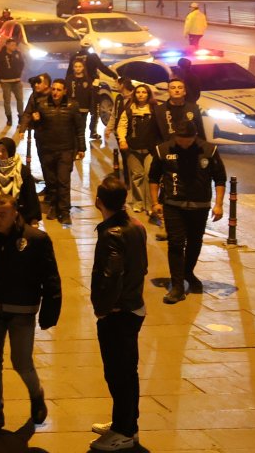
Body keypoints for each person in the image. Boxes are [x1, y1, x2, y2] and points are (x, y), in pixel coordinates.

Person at [0, 196, 62, 436]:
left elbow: (50, 277)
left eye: (2, 214)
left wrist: (50, 312)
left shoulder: (35, 239)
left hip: (21, 312)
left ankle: (36, 394)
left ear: (15, 214)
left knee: (22, 362)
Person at [89, 176, 148, 451]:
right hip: (133, 305)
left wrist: (104, 309)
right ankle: (123, 423)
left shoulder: (111, 233)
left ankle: (125, 431)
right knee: (125, 371)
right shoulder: (136, 226)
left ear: (99, 201)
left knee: (119, 373)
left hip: (119, 311)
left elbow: (112, 275)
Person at [148, 120, 226, 304]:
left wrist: (219, 204)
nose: (184, 143)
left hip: (200, 206)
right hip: (173, 204)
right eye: (180, 140)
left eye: (188, 140)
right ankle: (177, 286)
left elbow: (220, 178)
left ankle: (188, 273)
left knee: (195, 242)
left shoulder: (209, 150)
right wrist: (154, 202)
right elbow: (153, 177)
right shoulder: (164, 150)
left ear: (195, 136)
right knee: (175, 243)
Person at [32, 80, 85, 225]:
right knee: (52, 181)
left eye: (59, 90)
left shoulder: (72, 105)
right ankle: (54, 207)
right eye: (53, 89)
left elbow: (79, 128)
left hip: (66, 150)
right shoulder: (42, 104)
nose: (55, 92)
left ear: (65, 91)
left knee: (63, 181)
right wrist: (35, 121)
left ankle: (64, 211)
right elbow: (37, 127)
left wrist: (81, 148)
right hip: (47, 150)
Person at [115, 85, 161, 217]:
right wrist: (122, 140)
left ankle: (151, 204)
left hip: (150, 150)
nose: (141, 95)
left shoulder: (155, 110)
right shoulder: (128, 110)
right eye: (138, 92)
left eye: (144, 92)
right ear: (135, 94)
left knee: (149, 175)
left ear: (148, 95)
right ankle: (138, 203)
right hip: (132, 149)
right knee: (137, 176)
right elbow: (122, 126)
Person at [0, 39, 25, 125]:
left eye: (15, 45)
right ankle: (9, 118)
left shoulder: (17, 54)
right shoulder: (0, 55)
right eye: (12, 45)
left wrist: (19, 73)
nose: (14, 47)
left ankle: (21, 117)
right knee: (7, 101)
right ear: (7, 45)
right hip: (6, 82)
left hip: (17, 81)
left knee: (20, 100)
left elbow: (22, 63)